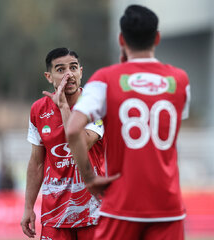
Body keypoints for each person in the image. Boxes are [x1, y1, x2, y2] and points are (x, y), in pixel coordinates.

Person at [66, 5, 191, 240]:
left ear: (121, 39)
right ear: (157, 37)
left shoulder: (105, 79)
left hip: (121, 207)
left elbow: (73, 129)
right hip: (168, 208)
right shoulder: (180, 80)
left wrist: (90, 179)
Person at [21, 48, 105, 239]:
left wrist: (64, 107)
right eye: (60, 70)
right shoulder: (38, 110)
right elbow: (37, 163)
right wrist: (28, 207)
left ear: (81, 72)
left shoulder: (95, 105)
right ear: (49, 77)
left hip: (94, 214)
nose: (69, 75)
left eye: (73, 68)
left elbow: (81, 143)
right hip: (54, 216)